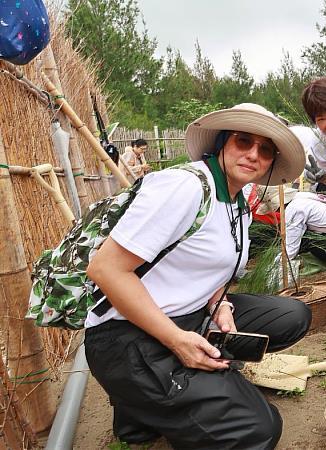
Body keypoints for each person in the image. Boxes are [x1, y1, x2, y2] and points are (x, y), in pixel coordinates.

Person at [85, 103, 311, 449]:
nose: (253, 154)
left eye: (265, 149)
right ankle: (140, 397)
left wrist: (219, 306)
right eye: (243, 141)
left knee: (292, 315)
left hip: (188, 313)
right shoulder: (185, 187)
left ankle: (151, 407)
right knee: (258, 431)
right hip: (125, 334)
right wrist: (177, 340)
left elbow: (206, 265)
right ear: (221, 142)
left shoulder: (236, 201)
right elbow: (105, 269)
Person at [258, 185, 326, 295]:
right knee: (295, 237)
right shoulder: (302, 196)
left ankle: (320, 266)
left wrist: (272, 268)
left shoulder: (293, 209)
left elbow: (290, 250)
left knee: (301, 239)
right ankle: (320, 265)